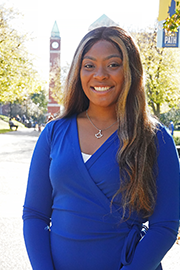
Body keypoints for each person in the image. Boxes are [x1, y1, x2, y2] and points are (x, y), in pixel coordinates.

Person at [22, 26, 180, 270]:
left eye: (113, 64)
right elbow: (34, 214)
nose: (100, 74)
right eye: (89, 65)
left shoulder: (154, 138)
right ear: (78, 72)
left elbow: (166, 224)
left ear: (130, 71)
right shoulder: (54, 133)